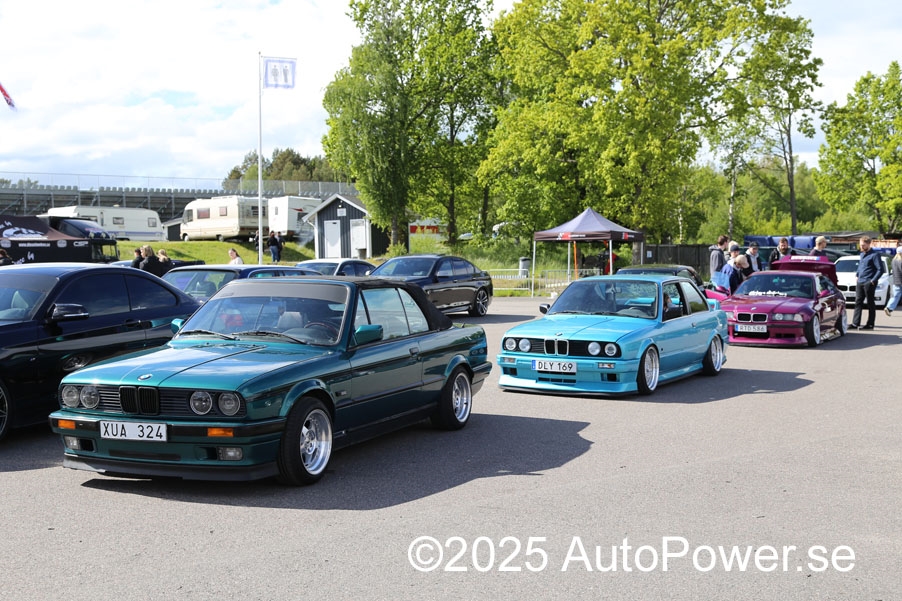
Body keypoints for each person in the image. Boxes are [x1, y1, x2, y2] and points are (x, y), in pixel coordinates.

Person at [851, 236, 885, 330]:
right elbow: (860, 266)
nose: (861, 247)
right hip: (860, 281)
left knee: (870, 303)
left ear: (869, 244)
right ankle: (855, 323)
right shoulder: (862, 254)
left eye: (863, 245)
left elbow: (880, 269)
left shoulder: (875, 255)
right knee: (858, 302)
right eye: (860, 245)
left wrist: (873, 280)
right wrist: (857, 275)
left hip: (869, 282)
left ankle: (870, 324)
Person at [884, 246, 902, 317]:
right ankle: (889, 308)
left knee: (895, 296)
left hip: (895, 280)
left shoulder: (893, 260)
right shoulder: (900, 261)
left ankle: (889, 308)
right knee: (896, 295)